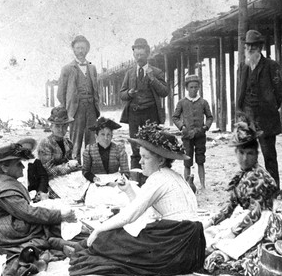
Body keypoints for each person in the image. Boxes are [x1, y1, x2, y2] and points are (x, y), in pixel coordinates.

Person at [69, 122, 205, 276]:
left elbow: (130, 215)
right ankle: (78, 246)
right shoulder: (176, 176)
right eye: (140, 157)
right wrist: (128, 190)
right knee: (115, 235)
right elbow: (143, 210)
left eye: (145, 157)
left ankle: (77, 247)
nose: (140, 162)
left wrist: (99, 230)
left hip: (172, 242)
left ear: (160, 160)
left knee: (107, 238)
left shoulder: (157, 178)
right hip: (193, 248)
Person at [202, 119, 282, 276]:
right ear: (236, 153)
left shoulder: (259, 176)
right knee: (208, 236)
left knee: (226, 252)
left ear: (256, 154)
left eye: (250, 153)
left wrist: (232, 233)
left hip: (262, 222)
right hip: (243, 218)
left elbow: (256, 212)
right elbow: (229, 208)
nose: (245, 158)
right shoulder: (241, 175)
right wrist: (208, 223)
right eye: (241, 153)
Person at [0, 141, 78, 253]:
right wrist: (60, 215)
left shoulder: (6, 182)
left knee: (48, 220)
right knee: (45, 224)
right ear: (5, 168)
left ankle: (57, 241)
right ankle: (57, 242)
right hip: (5, 229)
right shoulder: (4, 190)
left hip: (13, 222)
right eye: (18, 164)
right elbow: (29, 213)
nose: (22, 166)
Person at [237, 29, 282, 187]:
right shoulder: (243, 67)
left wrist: (271, 108)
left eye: (253, 46)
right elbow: (241, 92)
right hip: (247, 117)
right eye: (247, 46)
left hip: (266, 119)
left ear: (260, 47)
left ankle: (274, 188)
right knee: (247, 154)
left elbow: (280, 90)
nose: (250, 49)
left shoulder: (271, 66)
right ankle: (251, 187)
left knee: (269, 155)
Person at [120, 38, 169, 172]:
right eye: (136, 55)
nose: (139, 58)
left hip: (150, 114)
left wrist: (152, 78)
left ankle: (154, 175)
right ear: (133, 55)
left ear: (147, 54)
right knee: (135, 147)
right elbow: (121, 94)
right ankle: (136, 177)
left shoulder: (157, 72)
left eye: (142, 55)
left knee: (153, 147)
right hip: (134, 115)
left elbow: (164, 92)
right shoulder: (129, 73)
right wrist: (129, 93)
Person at [57, 35, 100, 163]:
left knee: (91, 140)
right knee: (75, 140)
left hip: (91, 108)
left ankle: (90, 167)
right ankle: (75, 166)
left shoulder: (92, 68)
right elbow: (60, 93)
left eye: (83, 48)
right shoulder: (67, 68)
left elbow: (95, 89)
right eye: (78, 48)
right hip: (76, 110)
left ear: (87, 49)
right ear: (74, 50)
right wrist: (68, 110)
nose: (81, 51)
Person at [172, 74, 213, 191]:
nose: (194, 89)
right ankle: (187, 185)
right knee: (187, 161)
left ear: (199, 87)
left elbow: (210, 117)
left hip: (200, 135)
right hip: (187, 136)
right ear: (186, 88)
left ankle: (203, 185)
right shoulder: (182, 102)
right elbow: (175, 117)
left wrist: (206, 127)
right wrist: (182, 126)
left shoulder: (203, 102)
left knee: (200, 160)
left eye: (196, 87)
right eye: (191, 87)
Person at [80, 117, 130, 206]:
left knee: (122, 201)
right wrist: (94, 178)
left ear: (112, 136)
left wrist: (118, 181)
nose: (106, 138)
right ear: (96, 136)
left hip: (115, 182)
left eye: (108, 135)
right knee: (95, 202)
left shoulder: (119, 149)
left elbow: (125, 172)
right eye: (102, 134)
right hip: (97, 183)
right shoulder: (89, 150)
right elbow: (85, 170)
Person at [36, 107, 80, 199]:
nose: (61, 129)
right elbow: (48, 170)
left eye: (64, 126)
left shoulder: (68, 143)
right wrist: (68, 166)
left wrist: (76, 165)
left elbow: (69, 159)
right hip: (49, 181)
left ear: (68, 126)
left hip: (64, 178)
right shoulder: (45, 144)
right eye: (57, 126)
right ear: (51, 127)